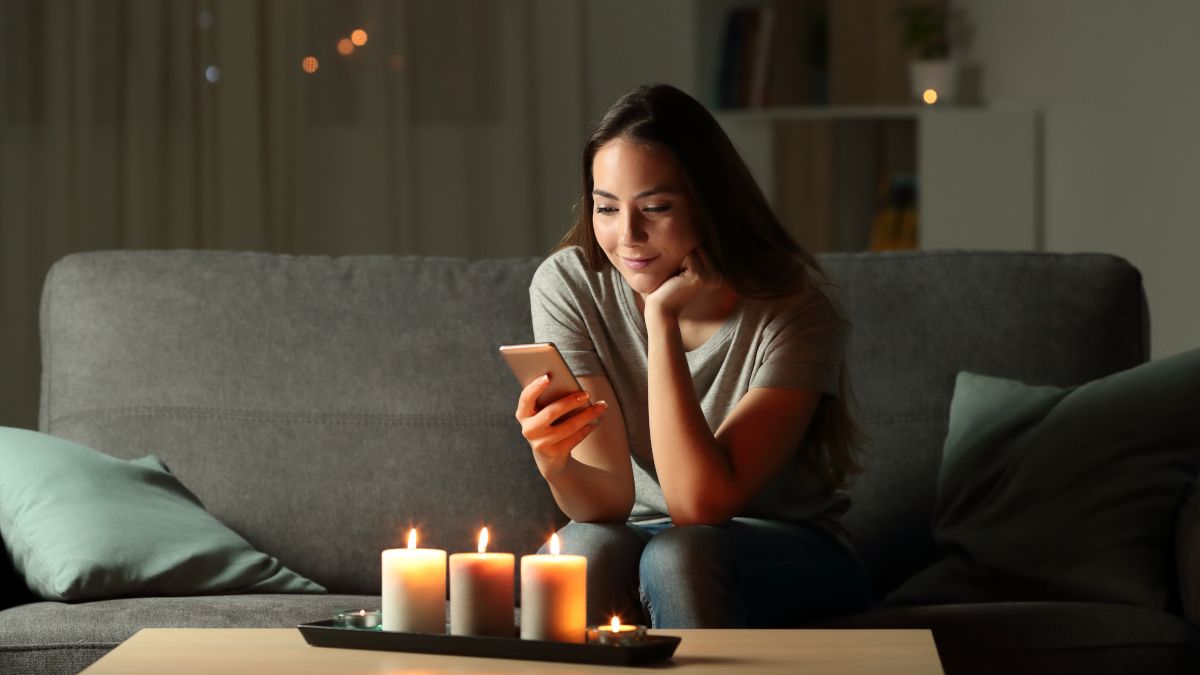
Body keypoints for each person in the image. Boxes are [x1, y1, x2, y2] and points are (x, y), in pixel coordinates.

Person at [514, 84, 871, 629]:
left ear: (711, 203)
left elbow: (701, 506)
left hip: (786, 544)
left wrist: (660, 322)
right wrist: (555, 463)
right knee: (580, 551)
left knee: (682, 555)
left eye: (655, 208)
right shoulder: (569, 285)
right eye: (606, 208)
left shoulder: (798, 310)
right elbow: (608, 498)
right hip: (643, 532)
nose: (627, 236)